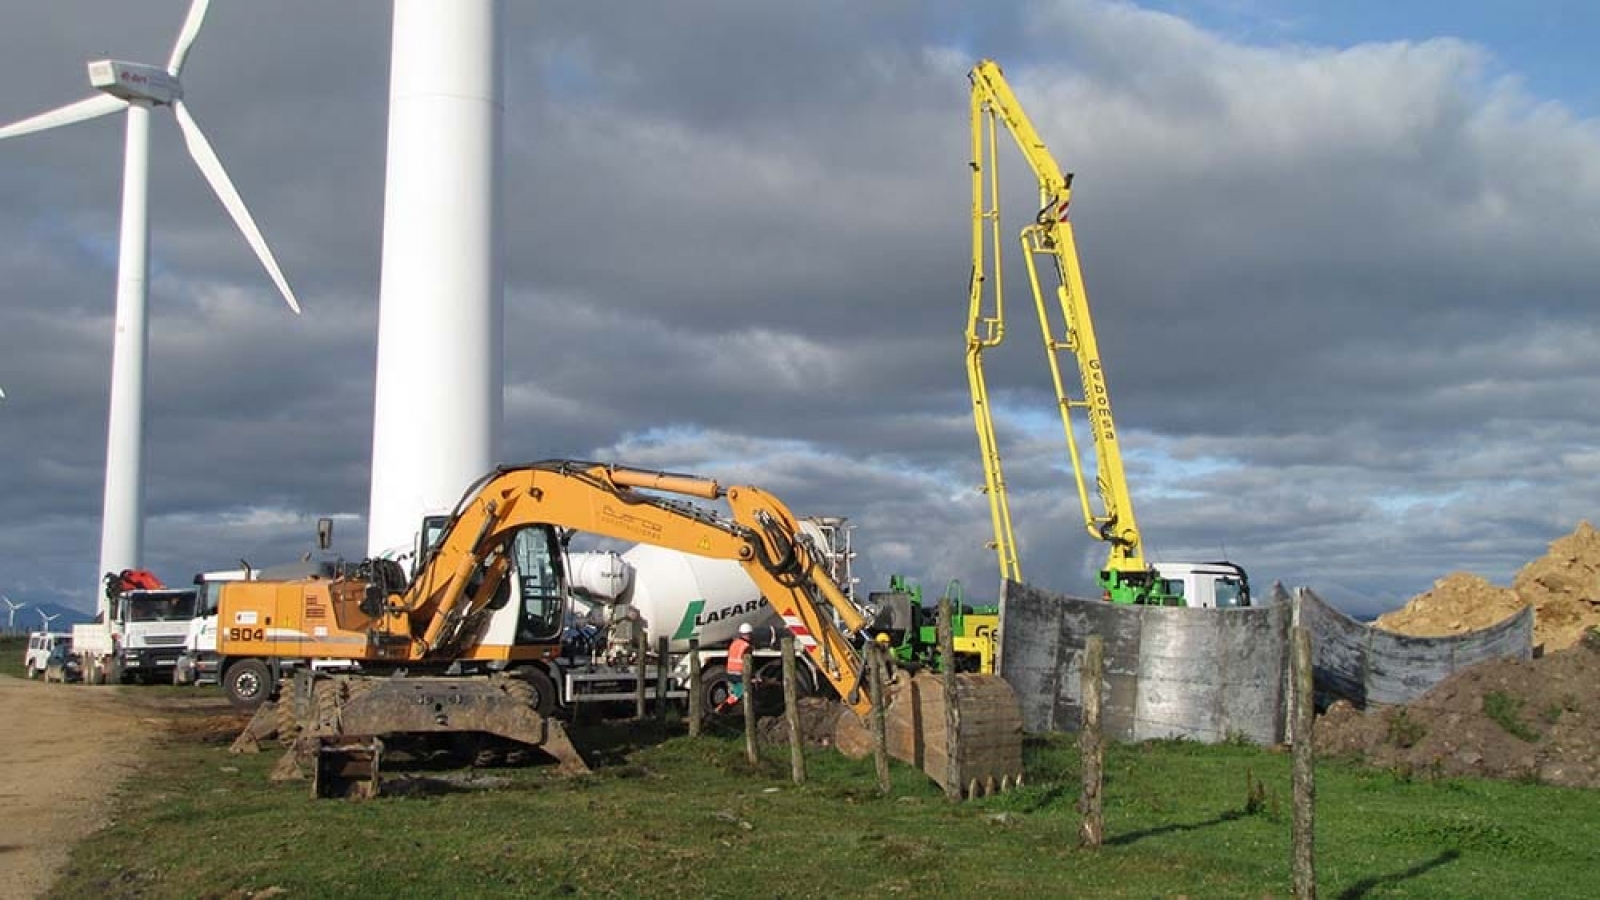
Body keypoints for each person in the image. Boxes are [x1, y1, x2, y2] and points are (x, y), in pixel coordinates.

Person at [722, 622, 754, 711]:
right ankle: (722, 710)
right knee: (738, 695)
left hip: (730, 673)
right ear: (749, 634)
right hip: (739, 674)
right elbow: (748, 663)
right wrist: (752, 677)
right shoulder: (747, 646)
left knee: (734, 694)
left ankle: (725, 710)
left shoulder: (734, 643)